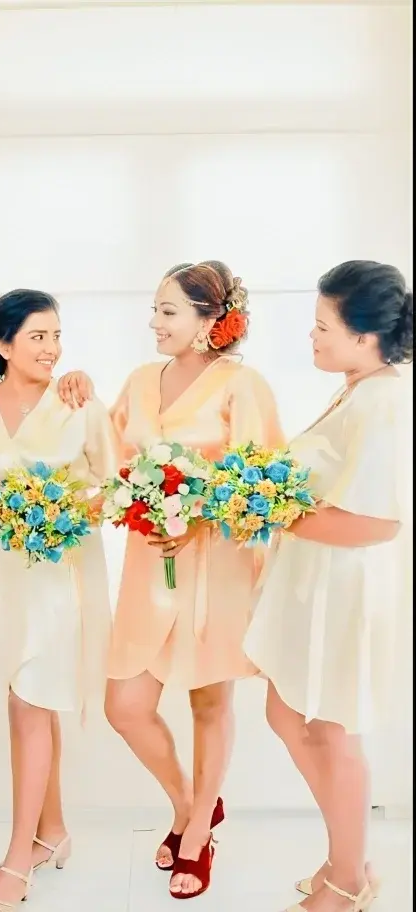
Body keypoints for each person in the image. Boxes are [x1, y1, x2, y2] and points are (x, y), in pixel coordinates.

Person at [58, 261, 285, 900]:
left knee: (208, 701)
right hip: (148, 563)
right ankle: (192, 805)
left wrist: (198, 517)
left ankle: (196, 835)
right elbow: (107, 457)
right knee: (125, 705)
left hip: (216, 564)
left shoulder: (243, 386)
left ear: (210, 319)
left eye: (167, 311)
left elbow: (262, 482)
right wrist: (79, 391)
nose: (154, 323)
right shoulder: (139, 380)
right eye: (154, 310)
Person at [244, 261, 413, 912]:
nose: (311, 337)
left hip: (345, 588)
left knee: (332, 730)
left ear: (364, 336)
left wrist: (271, 511)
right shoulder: (356, 390)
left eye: (322, 326)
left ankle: (348, 881)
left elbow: (379, 522)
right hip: (315, 581)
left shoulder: (383, 402)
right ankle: (351, 857)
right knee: (287, 713)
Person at [0, 289, 116, 912]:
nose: (52, 349)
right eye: (37, 337)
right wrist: (4, 511)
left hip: (58, 579)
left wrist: (61, 514)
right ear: (1, 344)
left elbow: (117, 486)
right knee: (28, 705)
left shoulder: (79, 403)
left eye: (56, 336)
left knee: (30, 703)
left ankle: (17, 859)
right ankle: (53, 833)